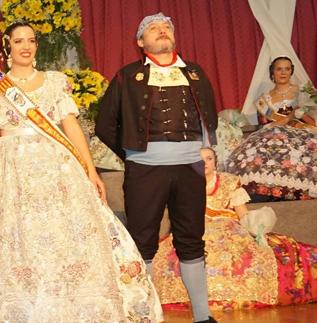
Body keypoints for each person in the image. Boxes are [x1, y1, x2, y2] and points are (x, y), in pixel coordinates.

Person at [0, 21, 163, 322]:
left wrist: (90, 170)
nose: (26, 46)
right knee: (16, 236)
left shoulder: (54, 82)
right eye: (19, 41)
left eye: (31, 40)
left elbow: (71, 127)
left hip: (56, 167)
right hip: (10, 170)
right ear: (7, 47)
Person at [95, 13, 218, 323]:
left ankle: (202, 317)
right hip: (144, 172)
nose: (162, 31)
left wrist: (202, 148)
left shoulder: (195, 72)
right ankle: (145, 315)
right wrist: (133, 154)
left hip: (190, 169)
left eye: (167, 28)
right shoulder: (127, 76)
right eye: (153, 28)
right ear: (141, 42)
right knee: (142, 241)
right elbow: (104, 125)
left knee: (191, 239)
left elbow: (209, 115)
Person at [153, 147, 317, 308]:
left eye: (209, 158)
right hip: (194, 227)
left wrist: (256, 229)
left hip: (227, 228)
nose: (205, 163)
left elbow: (243, 214)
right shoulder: (184, 184)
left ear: (216, 163)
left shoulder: (229, 182)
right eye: (199, 159)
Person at [226, 56, 317, 201]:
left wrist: (291, 116)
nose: (283, 73)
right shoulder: (264, 99)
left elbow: (311, 119)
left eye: (287, 69)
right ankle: (266, 188)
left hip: (299, 131)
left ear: (291, 71)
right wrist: (281, 122)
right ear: (272, 73)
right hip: (274, 132)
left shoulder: (301, 92)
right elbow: (267, 121)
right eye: (279, 69)